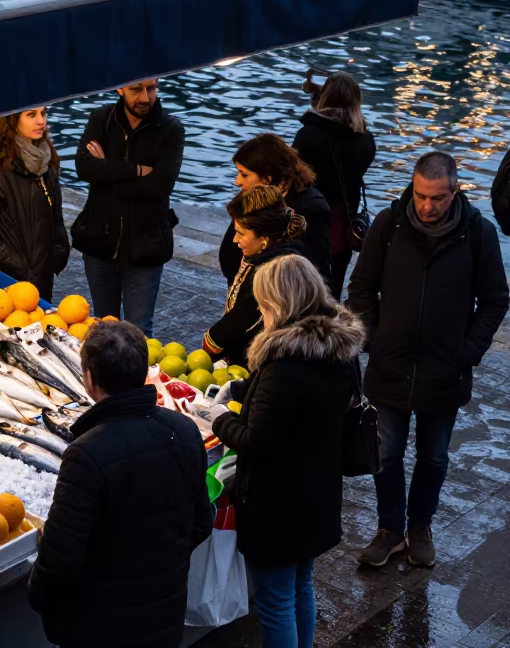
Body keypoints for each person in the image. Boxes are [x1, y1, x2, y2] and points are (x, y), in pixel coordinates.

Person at [348, 151, 508, 568]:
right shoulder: (388, 225)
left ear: (455, 190)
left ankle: (420, 527)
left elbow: (495, 299)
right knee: (385, 453)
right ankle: (389, 530)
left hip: (445, 369)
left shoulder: (478, 233)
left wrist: (469, 351)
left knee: (434, 456)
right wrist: (372, 337)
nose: (427, 206)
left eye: (437, 198)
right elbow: (362, 286)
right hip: (390, 362)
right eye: (420, 195)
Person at [209, 255, 364, 648]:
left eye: (262, 304)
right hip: (318, 493)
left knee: (275, 600)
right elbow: (302, 403)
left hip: (278, 505)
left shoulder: (283, 361)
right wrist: (244, 391)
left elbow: (254, 442)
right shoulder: (338, 350)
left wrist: (218, 418)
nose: (260, 312)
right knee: (300, 587)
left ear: (279, 303)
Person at [27, 320, 212, 648]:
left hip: (99, 624)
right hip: (163, 615)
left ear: (89, 379)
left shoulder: (86, 454)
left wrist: (38, 598)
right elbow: (201, 522)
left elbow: (61, 558)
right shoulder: (184, 430)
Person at [72, 79, 185, 336]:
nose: (145, 97)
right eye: (136, 89)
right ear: (119, 87)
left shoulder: (170, 129)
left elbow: (159, 186)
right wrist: (135, 170)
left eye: (151, 88)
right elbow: (83, 167)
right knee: (103, 326)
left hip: (146, 245)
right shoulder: (101, 118)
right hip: (100, 241)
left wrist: (106, 170)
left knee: (139, 331)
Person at [0, 108, 70, 300]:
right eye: (31, 115)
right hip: (12, 280)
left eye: (43, 114)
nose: (41, 121)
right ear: (12, 120)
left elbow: (54, 214)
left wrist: (59, 251)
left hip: (43, 273)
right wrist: (18, 265)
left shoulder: (45, 159)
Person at [293, 71, 376, 298]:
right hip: (344, 220)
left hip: (311, 219)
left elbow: (293, 175)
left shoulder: (308, 135)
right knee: (335, 282)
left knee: (302, 281)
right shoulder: (366, 140)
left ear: (325, 97)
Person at [204, 186, 306, 368]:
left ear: (264, 238)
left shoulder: (271, 273)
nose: (235, 240)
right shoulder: (282, 256)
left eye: (241, 233)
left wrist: (210, 344)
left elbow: (239, 319)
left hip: (259, 368)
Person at [220, 133, 331, 285]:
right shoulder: (253, 196)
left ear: (268, 176)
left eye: (244, 175)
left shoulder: (310, 208)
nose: (237, 182)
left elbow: (318, 269)